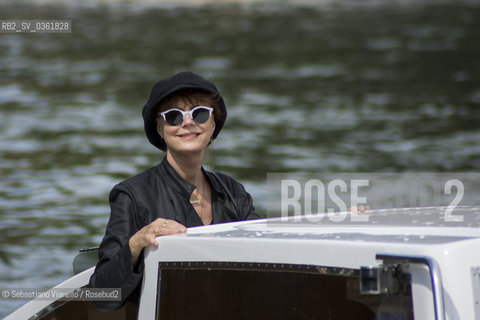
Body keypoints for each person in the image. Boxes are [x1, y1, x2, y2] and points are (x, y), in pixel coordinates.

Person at [89, 71, 260, 310]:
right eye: (173, 116)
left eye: (199, 113)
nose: (188, 122)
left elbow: (262, 258)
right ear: (160, 128)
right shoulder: (132, 195)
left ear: (213, 123)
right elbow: (101, 295)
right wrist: (136, 243)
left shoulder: (233, 191)